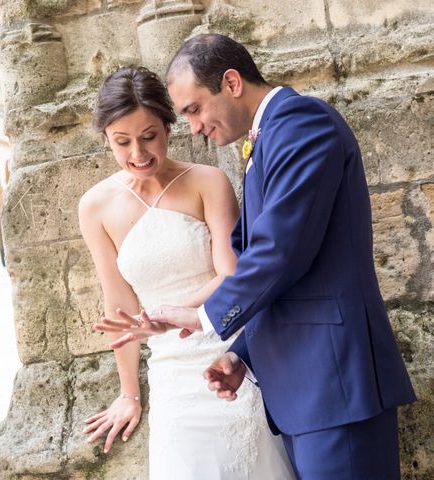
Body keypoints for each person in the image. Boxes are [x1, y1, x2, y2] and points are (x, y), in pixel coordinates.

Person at [97, 35, 417, 479]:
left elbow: (280, 252)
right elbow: (292, 269)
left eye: (194, 109)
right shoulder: (269, 136)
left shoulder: (302, 123)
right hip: (307, 389)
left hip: (335, 385)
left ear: (231, 82)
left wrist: (202, 317)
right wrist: (243, 354)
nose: (193, 127)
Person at [78, 66, 294, 480]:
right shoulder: (95, 207)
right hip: (171, 373)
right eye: (122, 142)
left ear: (168, 127)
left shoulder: (207, 182)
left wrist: (167, 314)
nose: (138, 154)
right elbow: (119, 305)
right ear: (106, 138)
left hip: (226, 352)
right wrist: (128, 393)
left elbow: (231, 275)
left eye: (149, 136)